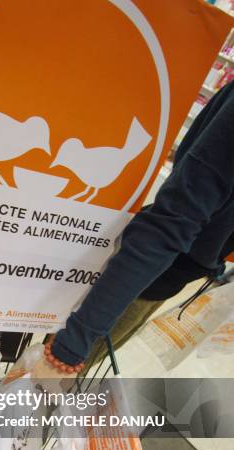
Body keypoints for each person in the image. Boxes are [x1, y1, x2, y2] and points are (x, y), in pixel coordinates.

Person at [33, 80, 234, 378]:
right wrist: (69, 348)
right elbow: (172, 221)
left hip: (171, 270)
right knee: (42, 385)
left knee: (49, 389)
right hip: (147, 271)